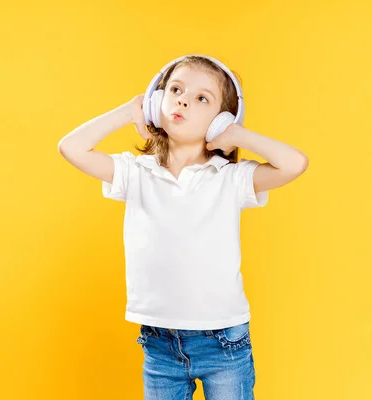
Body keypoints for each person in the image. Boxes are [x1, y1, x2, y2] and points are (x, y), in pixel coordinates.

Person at [57, 54, 308, 400]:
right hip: (160, 343)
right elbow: (70, 147)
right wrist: (130, 111)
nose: (183, 99)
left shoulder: (231, 179)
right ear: (156, 101)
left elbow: (295, 163)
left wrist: (236, 134)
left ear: (221, 120)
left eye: (201, 98)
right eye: (175, 89)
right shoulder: (135, 172)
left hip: (223, 343)